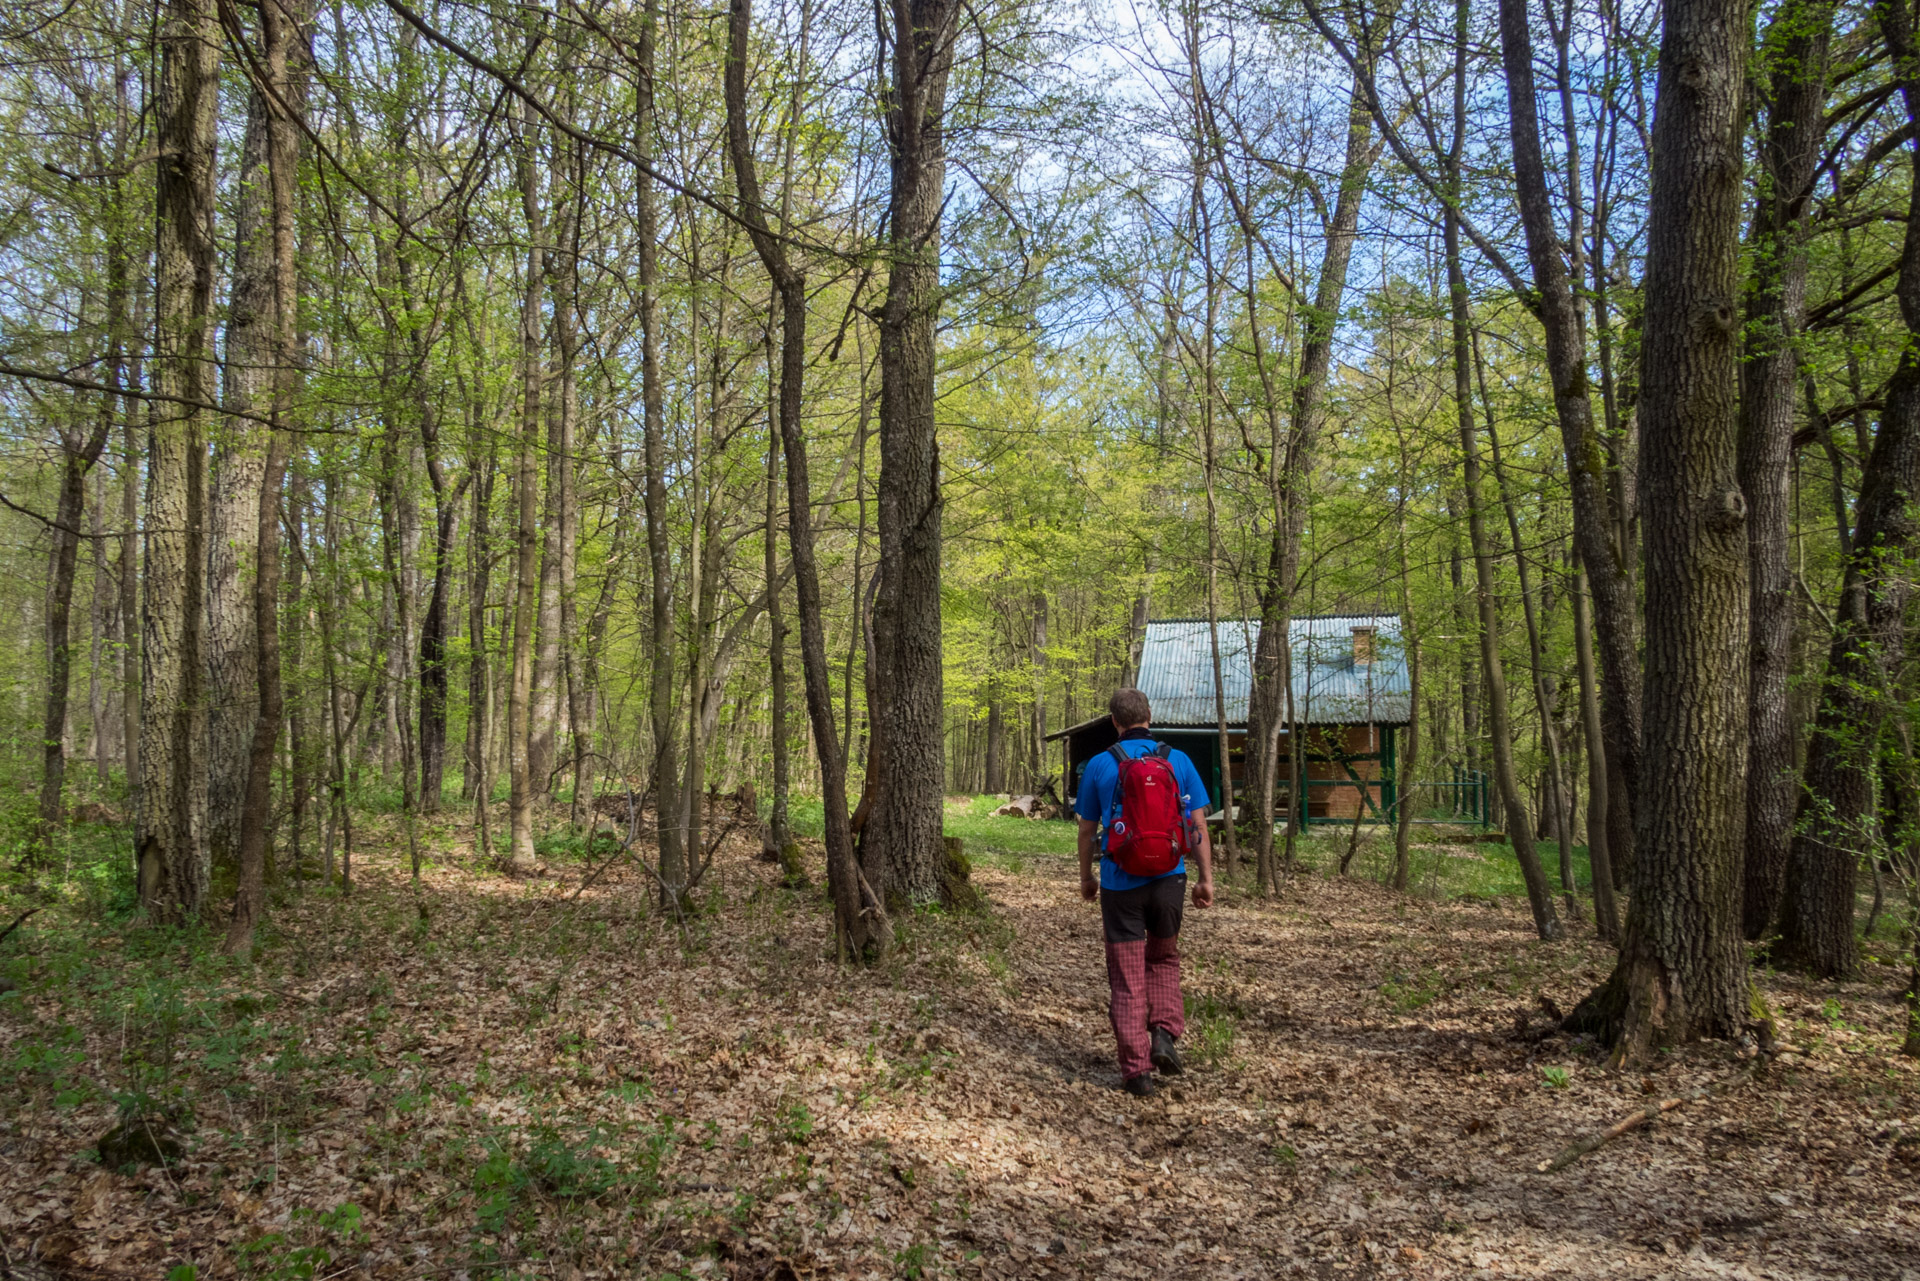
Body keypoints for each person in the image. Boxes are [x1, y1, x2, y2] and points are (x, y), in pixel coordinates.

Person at [1075, 688, 1214, 1097]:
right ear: (1149, 717)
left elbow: (1086, 830)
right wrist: (1205, 878)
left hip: (1120, 883)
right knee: (1164, 959)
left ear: (1114, 722)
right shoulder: (1179, 761)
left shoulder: (1100, 765)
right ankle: (1165, 1036)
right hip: (1170, 880)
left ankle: (1137, 1073)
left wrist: (1087, 876)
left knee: (1127, 977)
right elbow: (1198, 826)